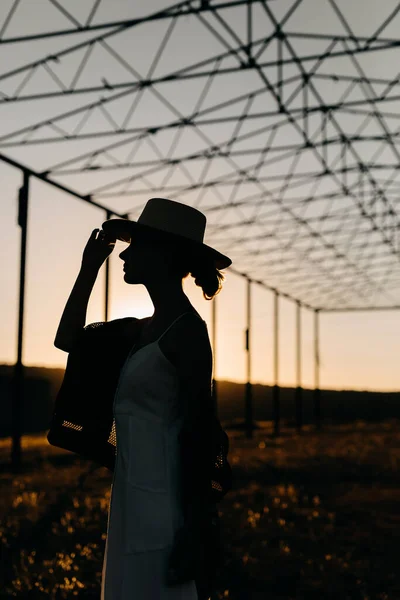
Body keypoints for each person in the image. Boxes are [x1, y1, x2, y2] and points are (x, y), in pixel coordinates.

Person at [54, 197, 232, 599]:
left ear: (165, 255)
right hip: (131, 497)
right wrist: (89, 267)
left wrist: (192, 528)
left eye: (138, 245)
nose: (126, 253)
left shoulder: (187, 333)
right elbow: (68, 340)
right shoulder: (141, 330)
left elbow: (198, 432)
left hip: (165, 504)